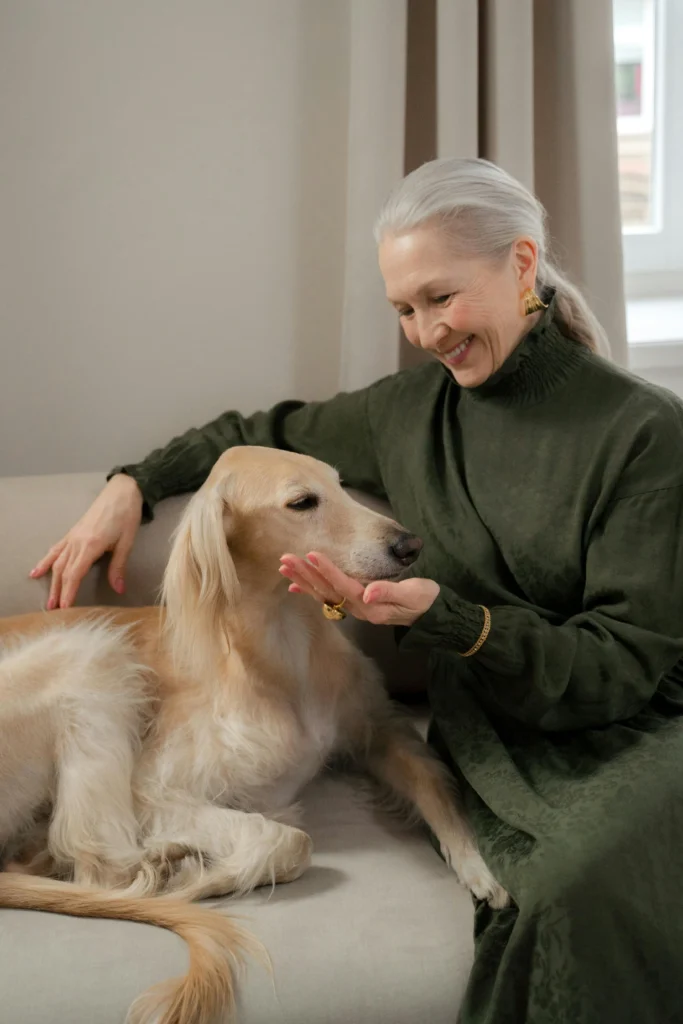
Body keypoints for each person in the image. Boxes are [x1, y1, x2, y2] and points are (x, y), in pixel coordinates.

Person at [31, 158, 683, 1023]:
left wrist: (451, 620)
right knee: (550, 897)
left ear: (522, 265)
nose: (423, 332)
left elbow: (625, 664)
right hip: (493, 735)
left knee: (577, 897)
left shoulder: (644, 428)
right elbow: (251, 436)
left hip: (630, 727)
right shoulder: (408, 412)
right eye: (403, 309)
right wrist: (131, 486)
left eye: (439, 298)